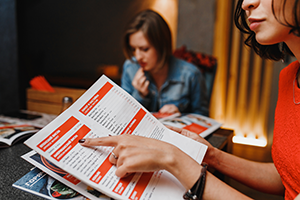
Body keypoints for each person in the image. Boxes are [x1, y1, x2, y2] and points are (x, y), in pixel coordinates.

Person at [79, 0, 300, 199]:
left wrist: (174, 159)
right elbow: (286, 176)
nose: (246, 3)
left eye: (145, 48)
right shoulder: (288, 76)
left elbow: (201, 114)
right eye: (134, 49)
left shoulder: (188, 73)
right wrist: (211, 155)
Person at [121, 9, 209, 116]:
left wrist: (180, 116)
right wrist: (140, 96)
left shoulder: (190, 74)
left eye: (144, 49)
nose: (138, 57)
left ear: (161, 46)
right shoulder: (130, 67)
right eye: (133, 49)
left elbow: (203, 118)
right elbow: (123, 116)